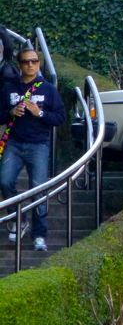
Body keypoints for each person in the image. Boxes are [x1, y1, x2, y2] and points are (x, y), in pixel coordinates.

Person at [1, 48, 65, 251]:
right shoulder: (9, 88)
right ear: (19, 65)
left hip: (39, 145)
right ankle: (19, 220)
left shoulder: (48, 90)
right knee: (4, 181)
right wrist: (11, 111)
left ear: (39, 64)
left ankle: (39, 234)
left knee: (38, 190)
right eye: (26, 62)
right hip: (14, 143)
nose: (30, 65)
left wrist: (39, 113)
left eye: (35, 61)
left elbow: (60, 118)